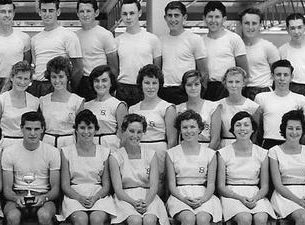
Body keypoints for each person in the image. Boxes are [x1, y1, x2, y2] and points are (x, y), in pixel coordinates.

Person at [217, 111, 276, 225]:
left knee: (261, 219)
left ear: (252, 129)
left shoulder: (262, 153)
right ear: (232, 129)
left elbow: (265, 186)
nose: (242, 128)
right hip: (232, 194)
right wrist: (240, 198)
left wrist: (256, 198)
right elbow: (221, 186)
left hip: (255, 193)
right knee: (244, 219)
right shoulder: (223, 153)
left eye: (246, 124)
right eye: (238, 125)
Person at [57, 110, 116, 225]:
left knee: (97, 220)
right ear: (76, 129)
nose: (86, 132)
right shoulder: (66, 151)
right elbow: (65, 185)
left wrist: (96, 197)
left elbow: (106, 186)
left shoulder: (105, 152)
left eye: (90, 128)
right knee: (81, 220)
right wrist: (79, 198)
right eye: (82, 128)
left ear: (96, 129)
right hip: (74, 195)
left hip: (98, 195)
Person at [110, 113, 169, 225]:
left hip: (148, 196)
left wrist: (146, 201)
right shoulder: (115, 156)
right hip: (125, 198)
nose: (135, 135)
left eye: (139, 132)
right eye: (131, 131)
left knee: (150, 221)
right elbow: (118, 189)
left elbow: (154, 186)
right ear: (123, 131)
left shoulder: (151, 154)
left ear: (143, 133)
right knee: (135, 221)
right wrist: (134, 203)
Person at [2, 111, 60, 225]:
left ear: (43, 129)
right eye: (28, 129)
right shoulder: (9, 152)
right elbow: (7, 189)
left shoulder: (52, 152)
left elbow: (55, 188)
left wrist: (45, 198)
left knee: (45, 215)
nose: (32, 133)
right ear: (21, 129)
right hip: (18, 196)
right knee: (12, 217)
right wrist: (15, 198)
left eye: (36, 129)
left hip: (43, 197)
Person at [165, 110, 222, 225]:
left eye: (192, 127)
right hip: (180, 195)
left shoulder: (210, 154)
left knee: (203, 221)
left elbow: (211, 184)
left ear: (200, 129)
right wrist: (184, 199)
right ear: (180, 129)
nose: (188, 131)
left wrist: (202, 200)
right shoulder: (171, 153)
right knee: (189, 220)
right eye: (184, 127)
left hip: (204, 195)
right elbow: (171, 185)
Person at [128, 64, 177, 196]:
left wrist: (168, 162)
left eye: (154, 83)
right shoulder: (133, 109)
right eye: (147, 83)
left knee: (159, 182)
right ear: (141, 84)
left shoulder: (167, 107)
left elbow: (172, 140)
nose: (150, 87)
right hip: (138, 150)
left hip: (158, 150)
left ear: (159, 84)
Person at [29, 0, 83, 98]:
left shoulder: (69, 36)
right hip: (37, 86)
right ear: (39, 12)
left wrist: (69, 88)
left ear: (58, 12)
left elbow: (78, 69)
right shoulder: (35, 39)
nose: (47, 14)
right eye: (44, 10)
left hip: (58, 86)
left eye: (51, 10)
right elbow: (35, 66)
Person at [114, 0, 161, 107]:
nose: (128, 17)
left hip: (145, 88)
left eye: (132, 13)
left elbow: (157, 69)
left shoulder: (152, 39)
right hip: (122, 88)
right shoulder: (116, 41)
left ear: (139, 13)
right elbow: (115, 69)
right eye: (125, 14)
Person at [160, 1, 207, 105]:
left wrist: (199, 95)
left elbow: (203, 72)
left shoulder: (195, 39)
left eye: (176, 15)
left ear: (184, 18)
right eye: (170, 16)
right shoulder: (160, 41)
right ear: (165, 18)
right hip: (165, 91)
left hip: (186, 91)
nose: (173, 19)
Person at [255, 60, 305, 149]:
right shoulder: (261, 98)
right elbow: (257, 128)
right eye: (278, 74)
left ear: (291, 77)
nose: (282, 78)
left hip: (293, 144)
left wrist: (300, 148)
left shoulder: (302, 100)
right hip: (269, 144)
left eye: (286, 75)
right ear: (272, 76)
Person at [202, 1, 248, 101]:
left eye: (217, 17)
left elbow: (244, 70)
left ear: (224, 19)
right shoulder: (200, 41)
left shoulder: (234, 39)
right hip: (208, 88)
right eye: (210, 16)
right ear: (204, 19)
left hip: (229, 88)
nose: (213, 20)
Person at [75, 0, 118, 101]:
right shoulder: (74, 36)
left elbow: (114, 67)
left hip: (100, 82)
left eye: (88, 11)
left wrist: (110, 89)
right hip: (82, 83)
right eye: (82, 11)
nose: (85, 15)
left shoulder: (105, 35)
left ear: (96, 12)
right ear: (77, 14)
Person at [0, 61, 39, 148]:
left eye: (26, 79)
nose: (22, 82)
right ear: (12, 77)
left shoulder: (35, 101)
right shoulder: (0, 100)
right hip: (6, 146)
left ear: (30, 81)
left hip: (28, 147)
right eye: (19, 78)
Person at [39, 56, 85, 148]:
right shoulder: (43, 100)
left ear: (67, 77)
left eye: (61, 77)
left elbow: (81, 130)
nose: (57, 81)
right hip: (47, 143)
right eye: (53, 77)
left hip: (68, 143)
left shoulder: (77, 101)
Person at [238, 8, 280, 100]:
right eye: (246, 23)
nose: (250, 27)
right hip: (242, 91)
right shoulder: (236, 46)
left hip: (264, 91)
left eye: (254, 23)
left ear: (260, 25)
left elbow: (278, 73)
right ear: (241, 25)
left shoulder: (268, 47)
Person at [176, 70, 221, 149]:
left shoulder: (213, 107)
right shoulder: (178, 109)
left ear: (201, 85)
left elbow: (215, 139)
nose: (193, 88)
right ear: (184, 87)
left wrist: (205, 156)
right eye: (189, 85)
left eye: (196, 84)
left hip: (207, 150)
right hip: (184, 151)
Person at [84, 65, 126, 150]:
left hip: (111, 148)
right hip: (90, 149)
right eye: (96, 81)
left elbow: (123, 133)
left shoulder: (118, 105)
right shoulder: (86, 105)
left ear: (111, 83)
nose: (100, 84)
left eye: (104, 81)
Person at [218, 67, 259, 148]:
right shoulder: (218, 105)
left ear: (243, 83)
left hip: (246, 146)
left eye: (237, 82)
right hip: (224, 146)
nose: (234, 85)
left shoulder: (253, 107)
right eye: (230, 82)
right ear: (225, 83)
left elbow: (255, 134)